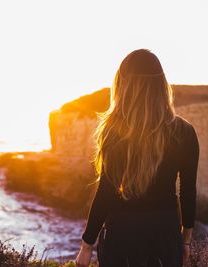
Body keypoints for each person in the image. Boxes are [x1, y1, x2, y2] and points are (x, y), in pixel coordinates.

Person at [75, 49, 200, 267]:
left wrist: (87, 245)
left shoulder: (115, 131)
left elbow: (106, 191)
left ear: (123, 86)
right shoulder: (184, 132)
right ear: (162, 85)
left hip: (122, 235)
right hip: (165, 234)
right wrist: (186, 240)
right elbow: (187, 191)